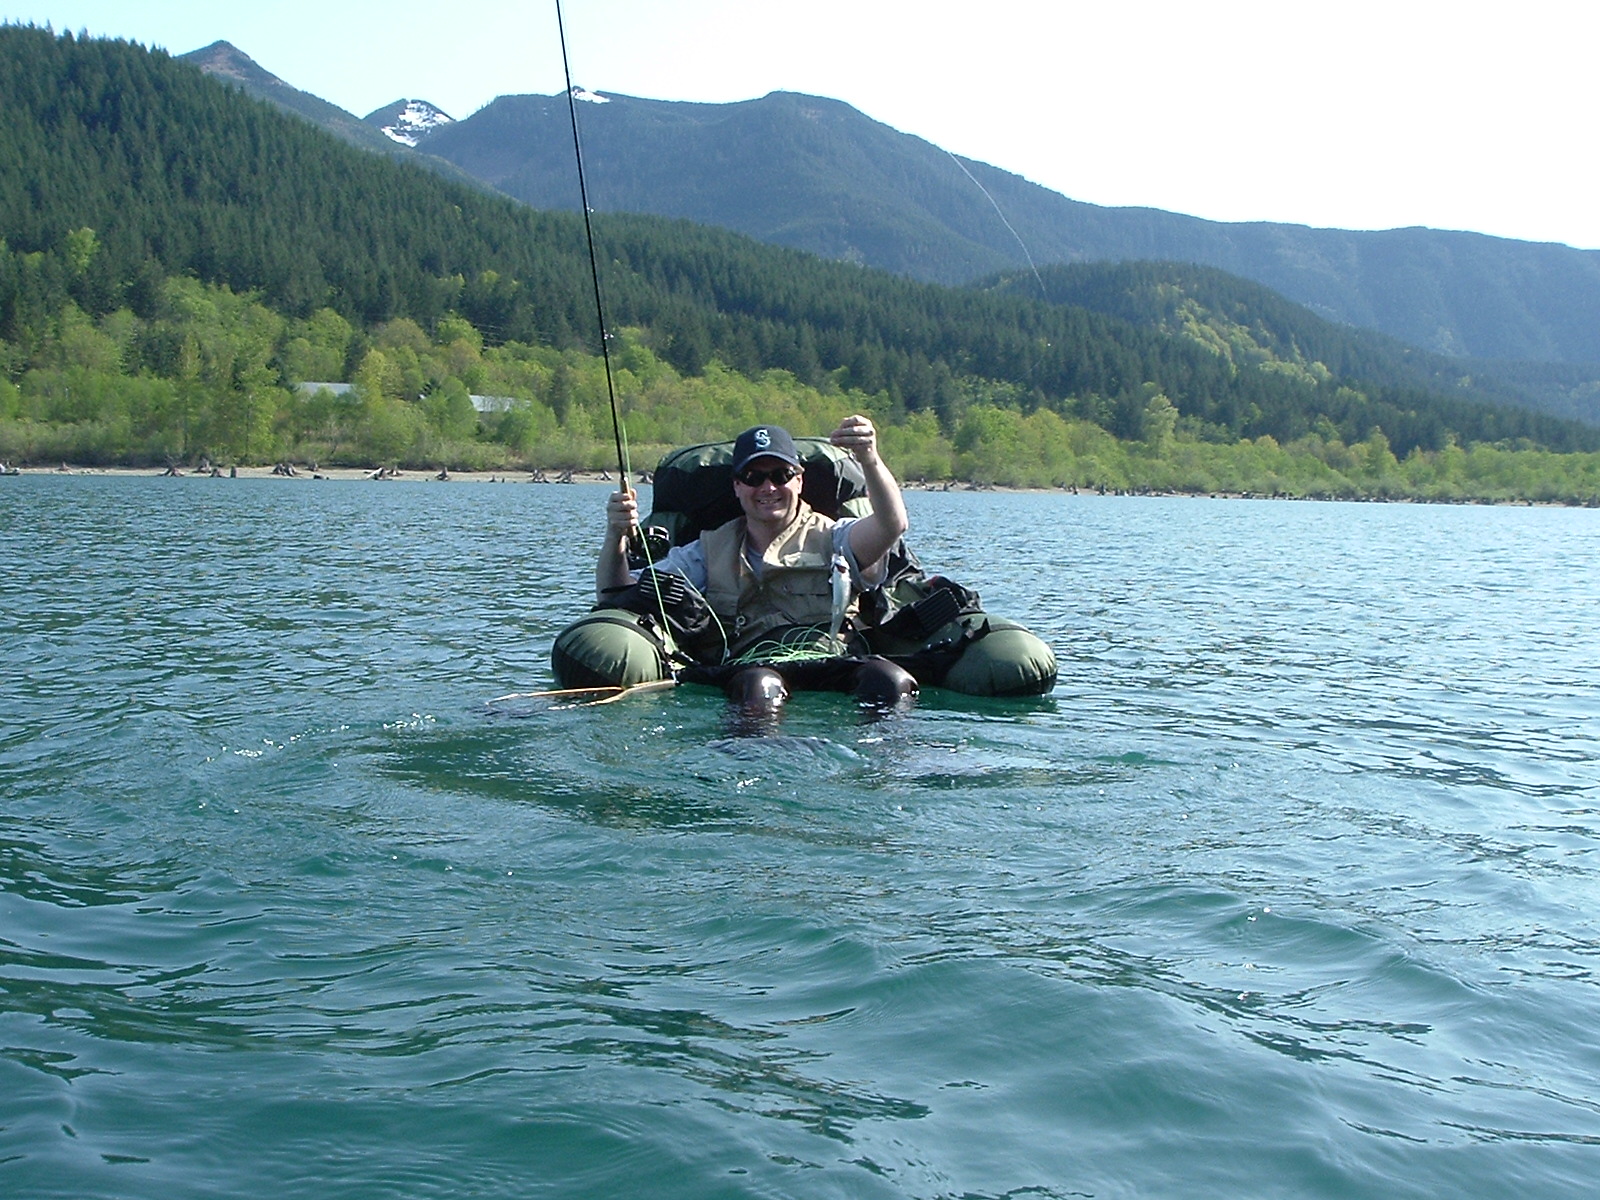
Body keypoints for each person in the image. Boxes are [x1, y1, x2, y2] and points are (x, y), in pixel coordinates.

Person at [597, 415, 918, 721]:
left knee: (890, 679)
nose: (768, 488)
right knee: (760, 687)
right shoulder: (706, 551)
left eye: (781, 475)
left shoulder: (836, 537)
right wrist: (616, 536)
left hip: (832, 660)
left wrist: (869, 459)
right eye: (754, 478)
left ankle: (879, 769)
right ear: (737, 486)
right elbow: (617, 593)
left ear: (800, 480)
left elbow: (892, 524)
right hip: (750, 672)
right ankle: (751, 768)